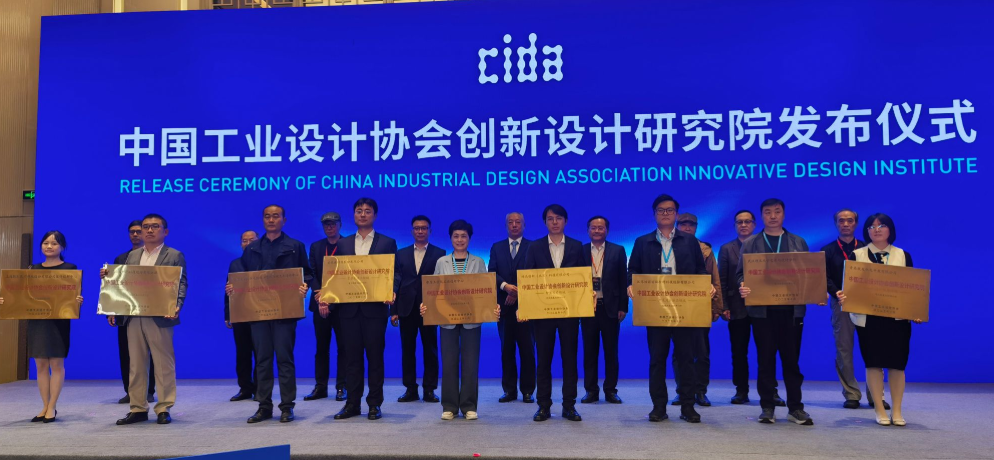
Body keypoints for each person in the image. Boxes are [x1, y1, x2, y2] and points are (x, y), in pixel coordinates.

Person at [628, 194, 712, 424]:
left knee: (686, 359)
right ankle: (658, 407)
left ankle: (688, 406)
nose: (665, 214)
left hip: (684, 309)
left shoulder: (689, 241)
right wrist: (630, 284)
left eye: (670, 210)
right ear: (654, 214)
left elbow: (700, 270)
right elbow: (633, 270)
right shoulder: (642, 242)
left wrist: (707, 285)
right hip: (655, 309)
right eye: (661, 210)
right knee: (657, 359)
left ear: (676, 214)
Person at [837, 213, 921, 427]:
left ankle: (897, 410)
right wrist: (844, 297)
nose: (877, 230)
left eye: (882, 225)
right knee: (873, 363)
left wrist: (916, 310)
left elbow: (913, 288)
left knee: (897, 365)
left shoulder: (903, 255)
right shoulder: (857, 255)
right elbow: (851, 288)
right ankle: (880, 410)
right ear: (866, 231)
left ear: (890, 229)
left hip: (897, 318)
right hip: (868, 319)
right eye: (872, 227)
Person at [230, 205, 311, 424]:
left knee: (285, 359)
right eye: (267, 216)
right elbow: (243, 276)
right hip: (258, 311)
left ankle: (287, 406)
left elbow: (307, 273)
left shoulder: (295, 246)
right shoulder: (252, 248)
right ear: (263, 220)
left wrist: (305, 285)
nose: (271, 219)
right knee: (263, 360)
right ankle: (263, 406)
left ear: (284, 219)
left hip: (285, 310)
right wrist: (233, 288)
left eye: (276, 216)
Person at [737, 198, 813, 425]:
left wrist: (816, 290)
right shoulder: (751, 243)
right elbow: (741, 274)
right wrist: (742, 285)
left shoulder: (798, 242)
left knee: (792, 362)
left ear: (783, 214)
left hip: (792, 311)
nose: (772, 216)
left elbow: (809, 273)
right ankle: (767, 407)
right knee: (765, 360)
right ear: (762, 216)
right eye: (768, 212)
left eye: (777, 211)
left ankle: (795, 408)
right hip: (762, 312)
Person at [322, 197, 399, 421]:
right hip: (348, 310)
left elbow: (395, 272)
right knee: (352, 359)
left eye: (367, 211)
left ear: (375, 215)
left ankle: (374, 404)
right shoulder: (343, 244)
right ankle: (352, 404)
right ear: (353, 215)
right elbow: (336, 274)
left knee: (375, 358)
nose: (362, 214)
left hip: (375, 310)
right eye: (358, 211)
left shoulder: (387, 242)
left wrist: (392, 290)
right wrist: (327, 294)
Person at [107, 214, 187, 426]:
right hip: (134, 315)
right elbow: (123, 284)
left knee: (163, 363)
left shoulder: (174, 255)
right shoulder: (132, 256)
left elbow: (181, 283)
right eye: (145, 227)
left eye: (155, 226)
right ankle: (138, 408)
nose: (149, 230)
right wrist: (109, 282)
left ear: (165, 231)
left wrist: (177, 305)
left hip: (161, 315)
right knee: (136, 364)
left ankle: (164, 407)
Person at [419, 220, 500, 420]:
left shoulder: (478, 262)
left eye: (464, 236)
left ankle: (469, 406)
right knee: (449, 363)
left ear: (469, 238)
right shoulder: (442, 262)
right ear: (450, 238)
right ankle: (449, 406)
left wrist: (492, 307)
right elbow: (433, 290)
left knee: (470, 363)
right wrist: (426, 306)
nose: (460, 240)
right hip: (447, 318)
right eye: (456, 236)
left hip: (472, 319)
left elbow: (485, 290)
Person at [0, 231, 83, 423]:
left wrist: (77, 300)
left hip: (58, 322)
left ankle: (52, 406)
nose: (49, 246)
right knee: (41, 365)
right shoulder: (32, 269)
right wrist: (6, 300)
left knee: (56, 364)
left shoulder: (70, 268)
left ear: (62, 247)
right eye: (45, 243)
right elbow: (21, 295)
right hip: (37, 322)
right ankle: (45, 405)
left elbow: (72, 295)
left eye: (54, 243)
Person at [523, 204, 589, 422]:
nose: (554, 222)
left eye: (558, 218)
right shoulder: (535, 247)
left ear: (565, 221)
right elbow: (528, 278)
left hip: (570, 313)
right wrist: (526, 306)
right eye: (550, 218)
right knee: (543, 360)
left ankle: (569, 405)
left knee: (570, 360)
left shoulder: (577, 246)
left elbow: (584, 278)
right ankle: (543, 405)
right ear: (545, 222)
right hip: (543, 314)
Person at [717, 210, 784, 406]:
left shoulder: (764, 245)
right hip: (736, 308)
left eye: (747, 222)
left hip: (764, 307)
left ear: (754, 225)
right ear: (735, 226)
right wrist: (724, 306)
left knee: (768, 351)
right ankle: (741, 390)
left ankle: (771, 391)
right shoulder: (726, 248)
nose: (743, 225)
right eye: (739, 222)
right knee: (738, 352)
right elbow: (722, 280)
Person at [822, 209, 876, 410]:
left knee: (873, 348)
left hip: (868, 304)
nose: (845, 224)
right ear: (836, 223)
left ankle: (875, 394)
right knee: (844, 348)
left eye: (850, 220)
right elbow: (824, 277)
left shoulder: (867, 248)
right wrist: (836, 292)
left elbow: (876, 276)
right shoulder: (827, 250)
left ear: (856, 224)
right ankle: (851, 393)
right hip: (841, 303)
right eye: (841, 221)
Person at [670, 213, 723, 407]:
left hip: (700, 306)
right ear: (677, 226)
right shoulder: (667, 247)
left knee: (701, 351)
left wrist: (717, 306)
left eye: (691, 225)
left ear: (696, 227)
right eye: (683, 224)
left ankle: (700, 391)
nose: (687, 227)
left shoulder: (705, 250)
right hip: (675, 306)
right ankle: (682, 390)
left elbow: (715, 279)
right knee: (679, 351)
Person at [392, 215, 445, 403]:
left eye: (424, 228)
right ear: (412, 231)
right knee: (407, 350)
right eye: (417, 228)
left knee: (430, 350)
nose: (420, 231)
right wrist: (394, 310)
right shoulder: (401, 253)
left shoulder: (440, 253)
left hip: (429, 308)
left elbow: (442, 283)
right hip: (406, 308)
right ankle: (410, 389)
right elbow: (395, 282)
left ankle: (429, 389)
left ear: (430, 230)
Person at [488, 212, 535, 403]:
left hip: (527, 308)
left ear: (524, 225)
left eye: (518, 222)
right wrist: (505, 287)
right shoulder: (496, 247)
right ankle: (509, 390)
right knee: (506, 351)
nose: (514, 225)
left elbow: (536, 273)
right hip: (504, 309)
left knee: (527, 350)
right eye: (510, 222)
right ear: (506, 225)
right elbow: (492, 272)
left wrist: (517, 292)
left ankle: (528, 390)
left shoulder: (533, 246)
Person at [580, 216, 627, 405]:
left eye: (601, 228)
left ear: (607, 230)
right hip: (587, 308)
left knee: (611, 352)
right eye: (593, 227)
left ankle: (610, 390)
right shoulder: (580, 250)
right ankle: (591, 391)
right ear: (588, 230)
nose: (597, 231)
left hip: (611, 308)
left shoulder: (618, 250)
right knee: (589, 352)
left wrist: (623, 306)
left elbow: (623, 280)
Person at [111, 220, 155, 405]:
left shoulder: (154, 257)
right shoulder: (121, 258)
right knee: (126, 353)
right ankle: (130, 391)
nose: (135, 234)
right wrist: (111, 310)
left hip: (150, 311)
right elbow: (114, 286)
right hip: (126, 313)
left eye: (138, 231)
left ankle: (149, 391)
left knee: (150, 353)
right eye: (132, 232)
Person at [304, 212, 348, 402]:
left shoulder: (348, 245)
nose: (329, 227)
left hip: (342, 304)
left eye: (333, 224)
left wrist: (330, 298)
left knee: (344, 347)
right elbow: (310, 273)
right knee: (321, 347)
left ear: (340, 225)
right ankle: (320, 387)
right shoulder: (316, 246)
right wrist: (321, 296)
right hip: (319, 302)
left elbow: (349, 275)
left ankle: (342, 386)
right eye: (326, 224)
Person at [224, 230, 258, 402]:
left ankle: (260, 388)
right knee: (242, 354)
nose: (248, 243)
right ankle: (245, 388)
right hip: (240, 314)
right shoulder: (235, 264)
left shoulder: (265, 262)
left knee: (261, 354)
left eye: (252, 240)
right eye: (244, 240)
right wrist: (228, 314)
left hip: (260, 314)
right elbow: (228, 290)